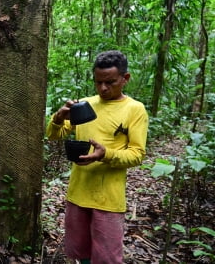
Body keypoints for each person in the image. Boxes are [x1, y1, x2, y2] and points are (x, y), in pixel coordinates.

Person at [46, 50, 149, 264]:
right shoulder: (85, 104)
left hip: (108, 199)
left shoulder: (134, 110)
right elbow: (54, 135)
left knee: (107, 258)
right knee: (79, 251)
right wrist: (58, 117)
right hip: (78, 193)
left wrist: (105, 154)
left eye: (110, 82)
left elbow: (137, 154)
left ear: (125, 78)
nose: (103, 88)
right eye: (98, 82)